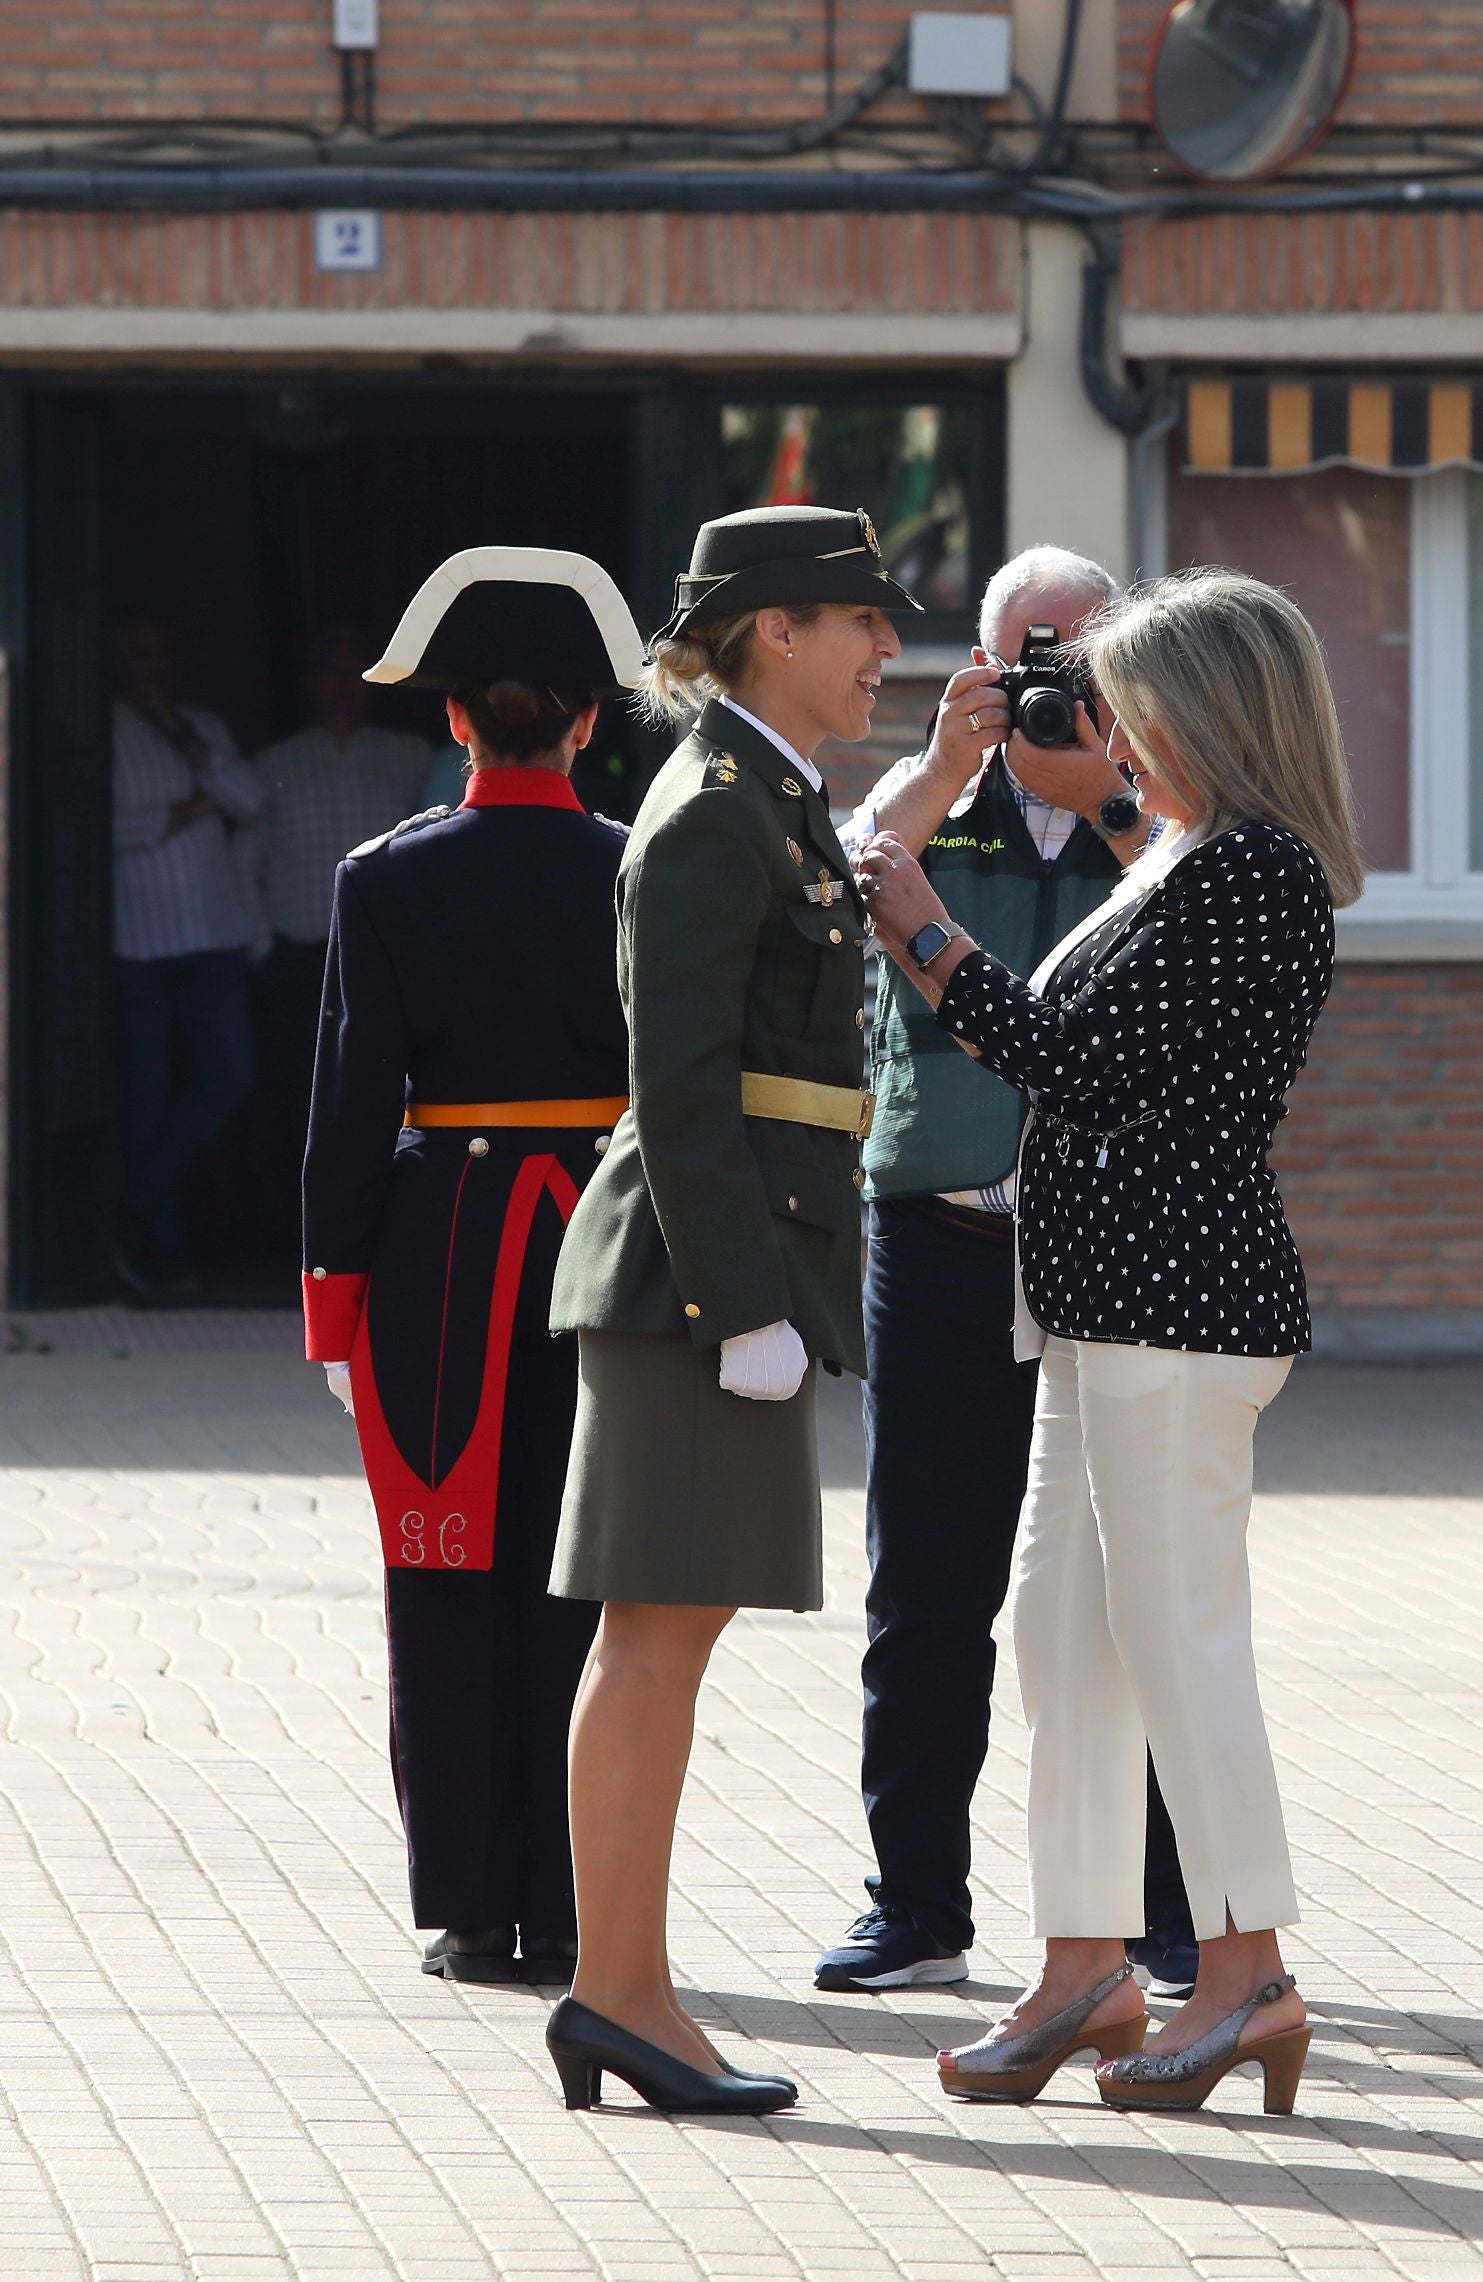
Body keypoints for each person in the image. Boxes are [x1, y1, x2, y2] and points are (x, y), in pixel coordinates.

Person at [851, 568, 1361, 2116]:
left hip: (1178, 1309)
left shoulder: (1256, 869)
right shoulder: (1182, 854)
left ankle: (1248, 1968)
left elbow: (1077, 1068)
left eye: (1136, 697)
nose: (1109, 726)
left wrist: (928, 934)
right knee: (1066, 1639)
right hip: (1092, 1308)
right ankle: (1086, 1963)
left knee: (1175, 1639)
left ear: (1205, 707)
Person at [540, 505, 909, 2115]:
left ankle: (624, 1990)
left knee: (669, 1636)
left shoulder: (769, 794)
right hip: (701, 1278)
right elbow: (678, 1086)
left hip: (742, 1269)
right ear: (773, 628)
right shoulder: (710, 809)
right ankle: (619, 1992)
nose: (889, 647)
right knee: (653, 1634)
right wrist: (736, 1302)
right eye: (861, 620)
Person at [814, 545, 1199, 2000]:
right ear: (977, 664)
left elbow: (1187, 906)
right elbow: (843, 877)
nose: (1053, 687)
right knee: (927, 1580)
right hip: (938, 1237)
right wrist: (941, 756)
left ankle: (1167, 1914)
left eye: (1081, 661)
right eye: (1028, 657)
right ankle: (914, 1902)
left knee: (1132, 1585)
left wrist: (1108, 786)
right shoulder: (930, 810)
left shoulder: (1153, 817)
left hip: (1103, 1245)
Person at [299, 548, 640, 1991]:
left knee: (441, 1576)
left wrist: (333, 1296)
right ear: (585, 721)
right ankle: (572, 1909)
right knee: (586, 1583)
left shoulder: (381, 875)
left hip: (440, 1247)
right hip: (612, 1243)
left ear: (454, 723)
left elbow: (344, 1102)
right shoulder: (641, 863)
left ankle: (468, 1907)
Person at [247, 623, 432, 1258]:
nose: (343, 689)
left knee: (381, 1099)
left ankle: (377, 1238)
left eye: (356, 675)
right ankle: (290, 1246)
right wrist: (259, 944)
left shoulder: (410, 758)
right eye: (330, 673)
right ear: (309, 685)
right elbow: (248, 860)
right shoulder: (275, 763)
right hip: (299, 953)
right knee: (298, 1098)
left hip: (388, 958)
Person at [108, 617, 265, 1291]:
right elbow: (114, 828)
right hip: (140, 944)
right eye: (140, 652)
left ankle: (129, 1201)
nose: (152, 665)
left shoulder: (201, 725)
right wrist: (200, 805)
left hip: (214, 936)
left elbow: (254, 800)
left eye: (160, 653)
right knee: (145, 1100)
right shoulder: (104, 729)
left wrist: (196, 756)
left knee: (230, 1076)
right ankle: (159, 1254)